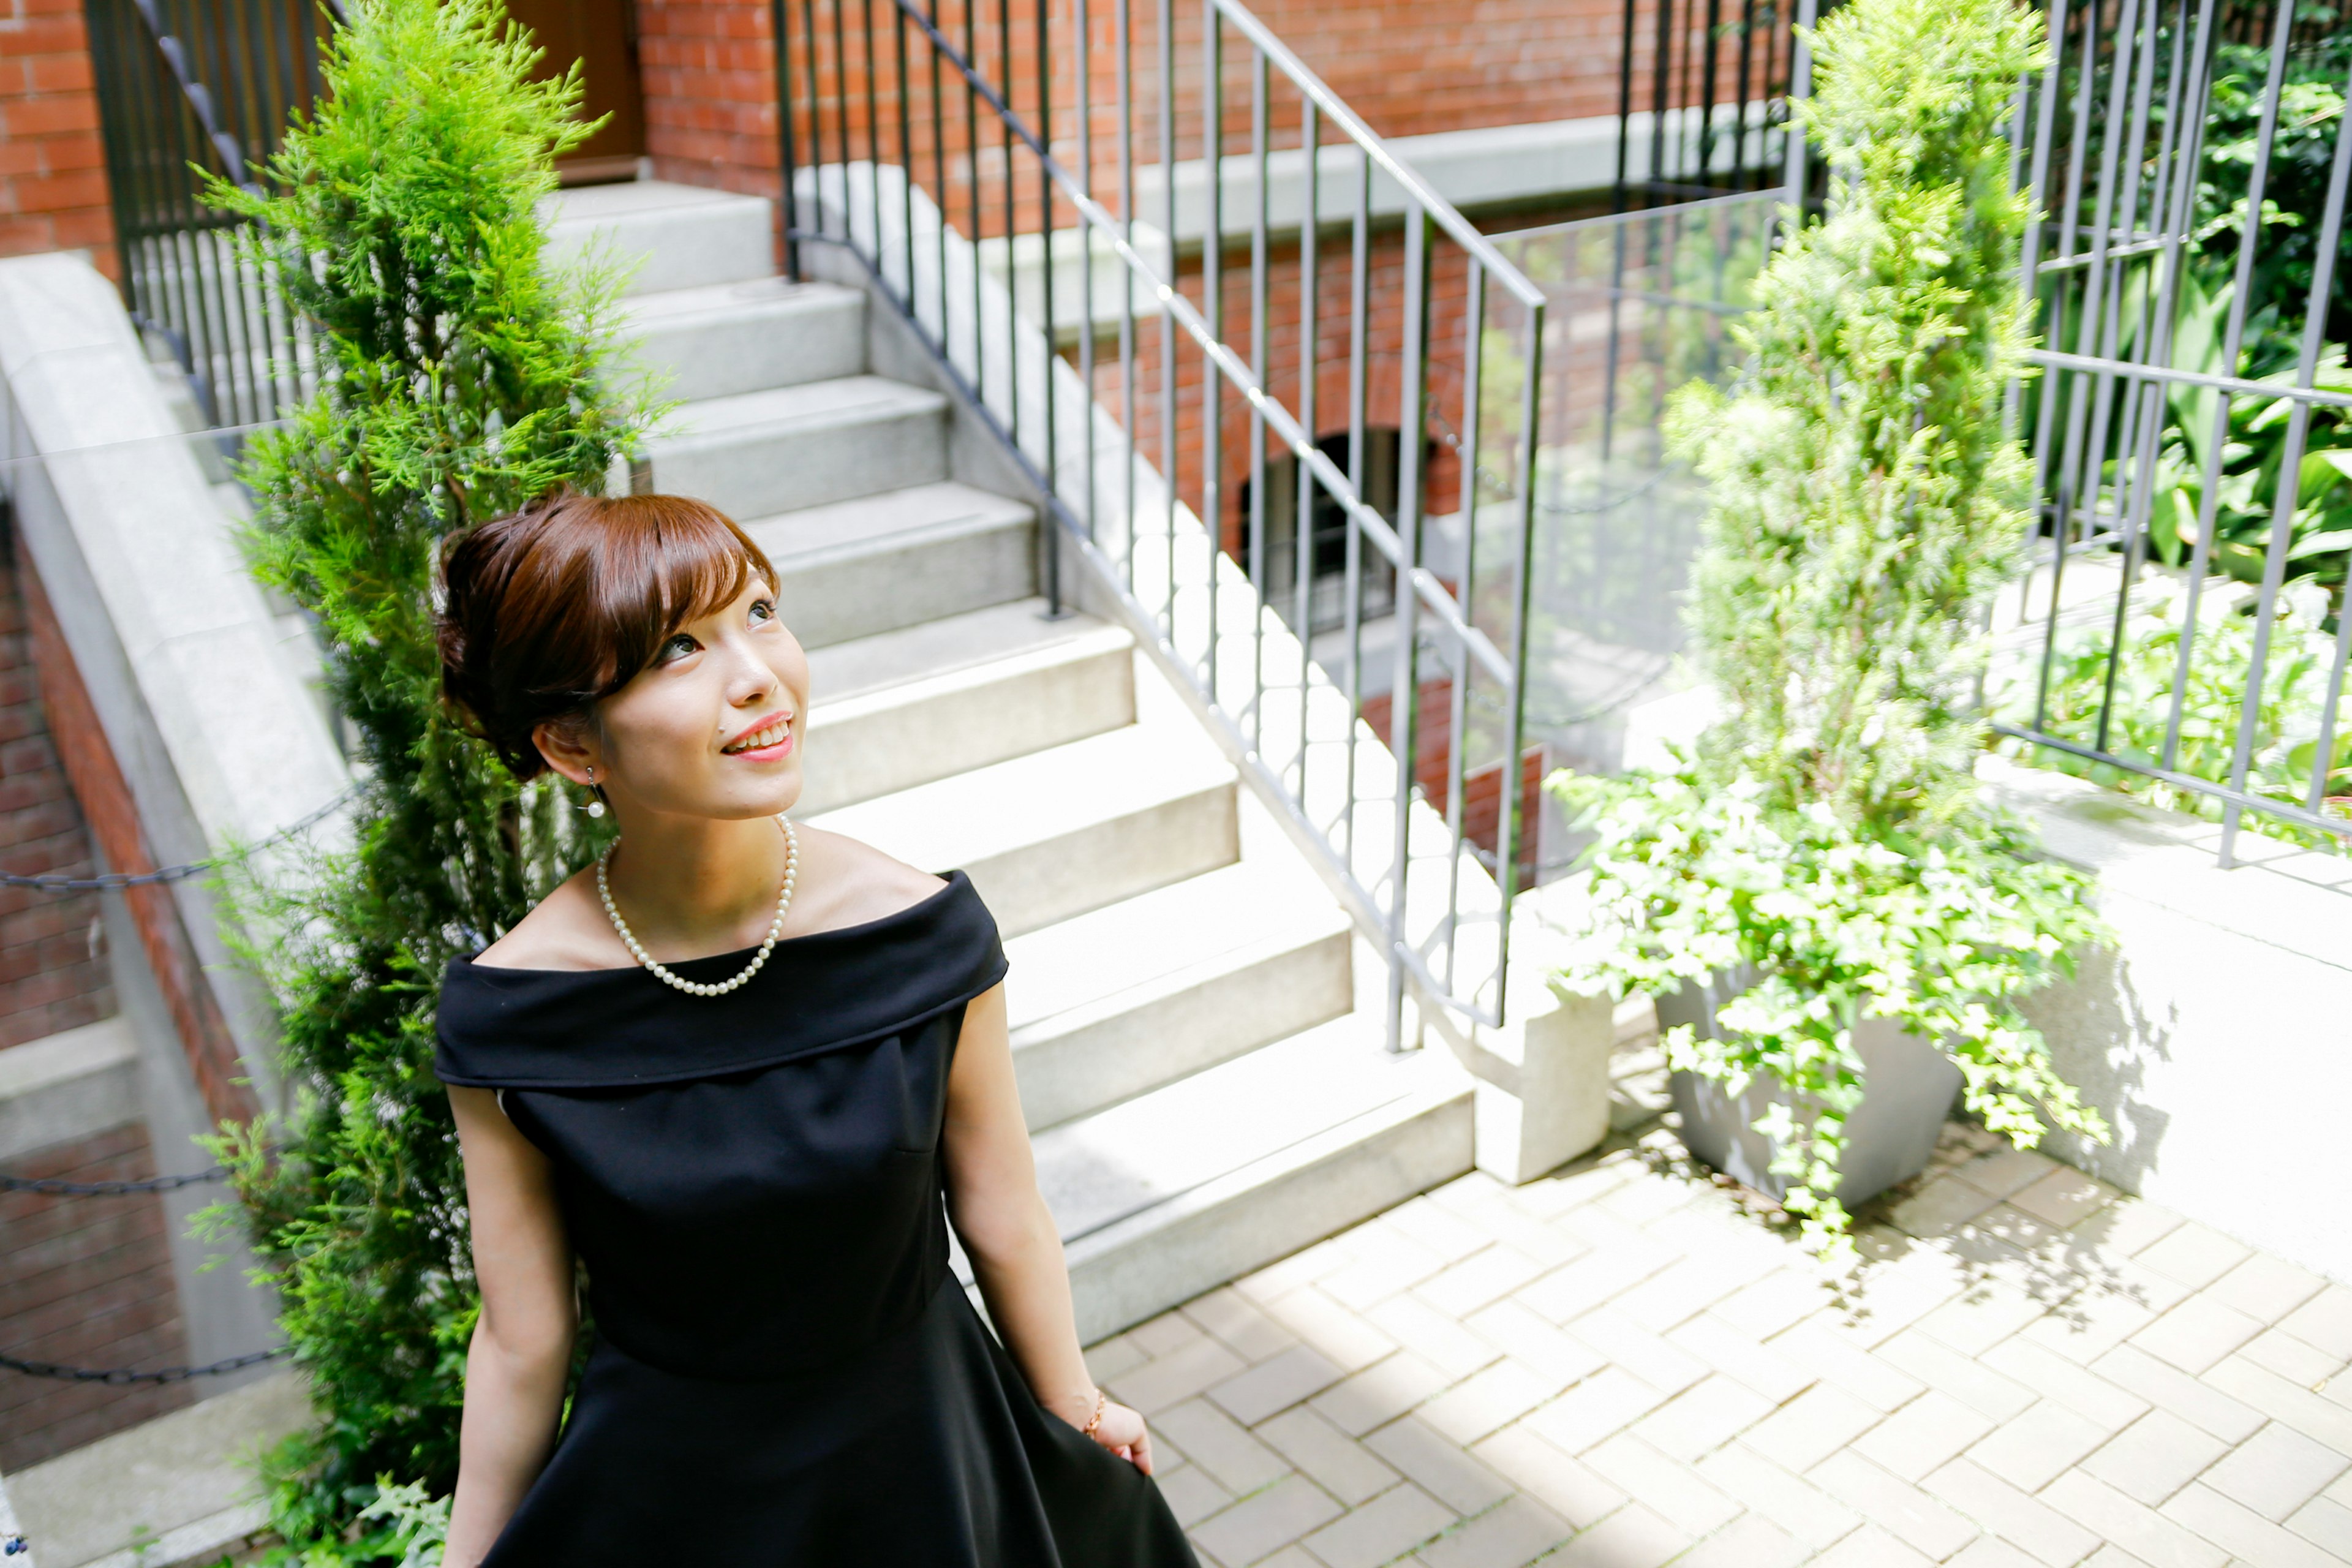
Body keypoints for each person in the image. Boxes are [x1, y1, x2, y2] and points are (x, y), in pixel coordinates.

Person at [429, 490, 1198, 1566]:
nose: (757, 674)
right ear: (570, 742)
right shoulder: (512, 1016)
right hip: (673, 1499)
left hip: (923, 1460)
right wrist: (467, 1561)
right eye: (678, 650)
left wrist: (1075, 1404)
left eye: (761, 612)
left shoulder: (919, 936)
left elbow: (1000, 1202)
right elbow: (522, 1335)